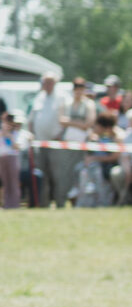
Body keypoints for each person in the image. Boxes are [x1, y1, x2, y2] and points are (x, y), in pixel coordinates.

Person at [27, 73, 71, 207]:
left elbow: (66, 119)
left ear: (55, 83)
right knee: (42, 174)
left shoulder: (62, 97)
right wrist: (31, 133)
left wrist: (60, 135)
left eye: (49, 82)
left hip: (56, 143)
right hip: (40, 143)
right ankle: (44, 203)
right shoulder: (39, 97)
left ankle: (60, 203)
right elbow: (31, 118)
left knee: (57, 174)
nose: (46, 85)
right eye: (45, 82)